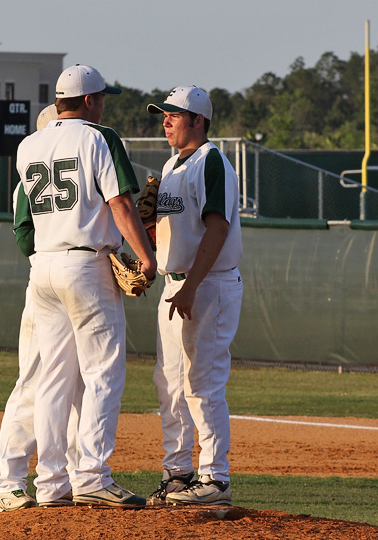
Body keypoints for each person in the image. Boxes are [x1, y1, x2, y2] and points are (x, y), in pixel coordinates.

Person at [12, 65, 156, 508]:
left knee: (53, 380)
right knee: (103, 373)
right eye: (102, 98)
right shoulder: (99, 137)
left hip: (43, 268)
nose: (104, 105)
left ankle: (52, 484)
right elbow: (120, 204)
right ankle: (92, 475)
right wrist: (147, 256)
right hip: (86, 266)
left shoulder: (28, 145)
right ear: (90, 100)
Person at [144, 86, 243, 506]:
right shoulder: (171, 166)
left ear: (198, 120)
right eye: (163, 114)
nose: (165, 120)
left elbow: (217, 229)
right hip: (177, 283)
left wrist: (191, 285)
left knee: (202, 382)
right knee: (169, 383)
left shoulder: (211, 162)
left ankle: (215, 477)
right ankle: (178, 473)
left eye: (173, 114)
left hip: (208, 284)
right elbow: (173, 232)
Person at [0, 104, 84, 512]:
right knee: (34, 382)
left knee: (79, 387)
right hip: (46, 289)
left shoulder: (84, 169)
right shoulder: (27, 184)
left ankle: (72, 478)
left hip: (78, 286)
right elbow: (24, 241)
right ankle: (11, 481)